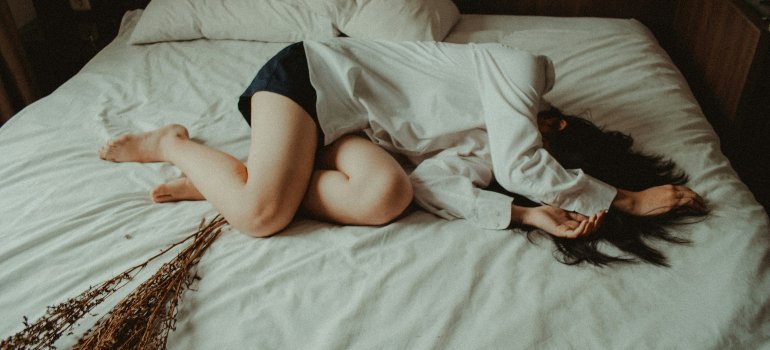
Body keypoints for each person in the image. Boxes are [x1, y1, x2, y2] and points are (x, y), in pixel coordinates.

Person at [99, 40, 705, 244]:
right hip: (313, 81)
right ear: (555, 123)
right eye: (544, 150)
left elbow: (434, 183)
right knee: (261, 216)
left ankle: (229, 177)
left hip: (353, 134)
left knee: (387, 195)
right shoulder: (519, 71)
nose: (525, 155)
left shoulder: (495, 150)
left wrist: (525, 213)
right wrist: (621, 199)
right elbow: (525, 160)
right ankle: (174, 143)